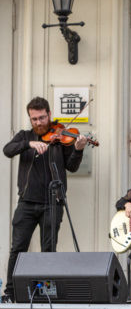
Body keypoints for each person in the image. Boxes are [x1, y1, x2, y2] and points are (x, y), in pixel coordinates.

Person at [2, 97, 87, 302]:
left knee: (48, 251)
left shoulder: (60, 138)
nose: (39, 123)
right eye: (34, 119)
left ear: (49, 115)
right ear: (30, 119)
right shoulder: (25, 136)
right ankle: (10, 293)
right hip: (26, 203)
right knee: (18, 248)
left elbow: (72, 167)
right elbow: (7, 150)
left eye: (42, 118)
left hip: (52, 203)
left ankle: (44, 294)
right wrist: (29, 144)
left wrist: (78, 149)